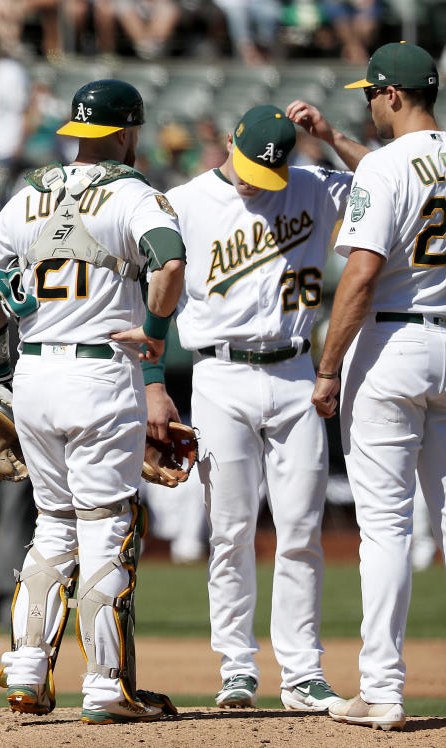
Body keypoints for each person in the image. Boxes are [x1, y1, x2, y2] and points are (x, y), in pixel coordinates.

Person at [0, 78, 187, 723]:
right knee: (107, 530)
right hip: (100, 374)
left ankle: (26, 674)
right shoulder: (132, 194)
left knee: (52, 526)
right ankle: (105, 686)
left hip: (34, 375)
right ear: (126, 131)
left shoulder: (27, 195)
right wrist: (153, 336)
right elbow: (170, 261)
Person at [165, 101, 368, 712]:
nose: (260, 179)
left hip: (297, 372)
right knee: (228, 532)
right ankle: (236, 668)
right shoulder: (185, 202)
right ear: (229, 141)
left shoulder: (309, 183)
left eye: (272, 169)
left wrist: (330, 136)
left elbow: (387, 182)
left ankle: (302, 670)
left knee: (301, 530)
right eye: (253, 163)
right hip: (219, 374)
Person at [311, 41, 446, 732]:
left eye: (371, 92)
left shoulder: (386, 165)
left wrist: (328, 367)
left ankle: (381, 691)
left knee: (385, 528)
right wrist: (334, 140)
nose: (367, 102)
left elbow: (359, 277)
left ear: (392, 95)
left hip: (392, 342)